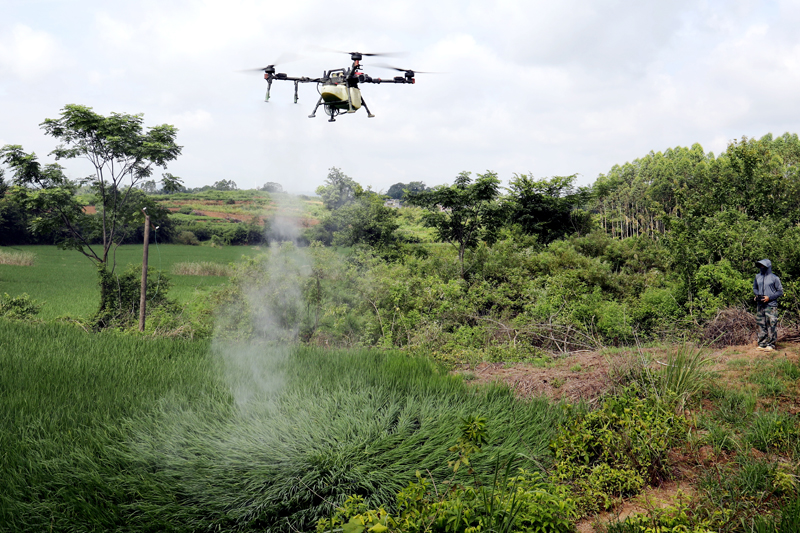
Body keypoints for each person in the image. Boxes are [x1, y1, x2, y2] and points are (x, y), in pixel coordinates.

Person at [753, 259, 783, 351]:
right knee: (760, 324)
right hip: (760, 305)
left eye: (763, 266)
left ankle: (771, 344)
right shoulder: (757, 277)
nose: (762, 267)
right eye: (760, 266)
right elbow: (755, 287)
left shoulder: (775, 278)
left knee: (771, 324)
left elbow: (780, 291)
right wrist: (757, 295)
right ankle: (762, 344)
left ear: (768, 267)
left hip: (771, 305)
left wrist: (769, 298)